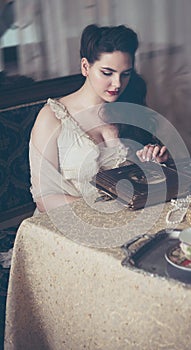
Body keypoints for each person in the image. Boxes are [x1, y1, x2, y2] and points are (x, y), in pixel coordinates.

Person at [29, 24, 168, 213]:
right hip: (70, 221)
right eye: (107, 73)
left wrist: (155, 163)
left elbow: (140, 182)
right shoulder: (52, 117)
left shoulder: (129, 109)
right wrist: (106, 211)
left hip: (129, 217)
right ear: (85, 66)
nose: (118, 84)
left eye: (125, 74)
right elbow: (45, 199)